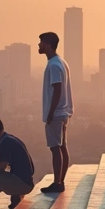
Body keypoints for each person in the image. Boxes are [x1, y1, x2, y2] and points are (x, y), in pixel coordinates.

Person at [37, 31, 73, 194]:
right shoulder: (61, 62)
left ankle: (57, 182)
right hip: (63, 112)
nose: (39, 45)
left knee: (55, 148)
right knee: (62, 147)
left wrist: (50, 113)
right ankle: (60, 181)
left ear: (48, 45)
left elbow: (57, 89)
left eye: (41, 42)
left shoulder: (53, 65)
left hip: (57, 113)